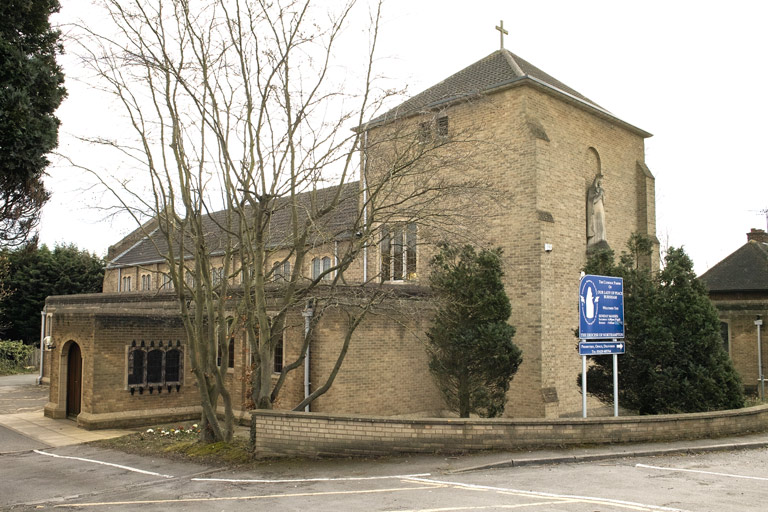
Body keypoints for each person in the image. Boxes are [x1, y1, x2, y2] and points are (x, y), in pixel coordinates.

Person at [587, 174, 606, 247]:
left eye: (601, 182)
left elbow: (604, 202)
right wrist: (599, 195)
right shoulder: (592, 190)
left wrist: (602, 195)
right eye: (599, 182)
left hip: (601, 207)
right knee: (596, 222)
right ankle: (594, 240)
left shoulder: (602, 190)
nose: (600, 183)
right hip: (595, 207)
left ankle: (601, 238)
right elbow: (592, 201)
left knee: (601, 223)